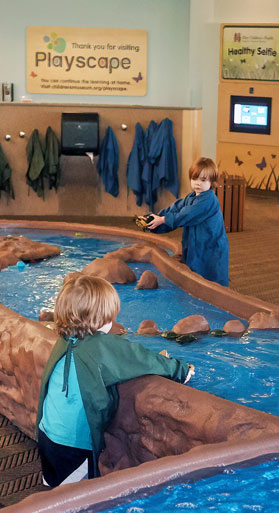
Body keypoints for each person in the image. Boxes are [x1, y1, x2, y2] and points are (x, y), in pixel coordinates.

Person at [36, 273, 194, 487]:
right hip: (74, 444)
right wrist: (181, 370)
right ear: (100, 318)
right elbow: (138, 357)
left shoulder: (67, 339)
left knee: (56, 487)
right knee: (76, 498)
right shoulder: (100, 345)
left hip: (47, 435)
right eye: (110, 316)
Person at [145, 157, 230, 286]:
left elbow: (186, 215)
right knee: (196, 272)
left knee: (212, 275)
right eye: (194, 178)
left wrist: (163, 220)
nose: (198, 183)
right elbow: (175, 209)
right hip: (196, 244)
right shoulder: (191, 197)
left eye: (203, 180)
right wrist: (154, 220)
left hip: (211, 246)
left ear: (212, 181)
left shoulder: (209, 200)